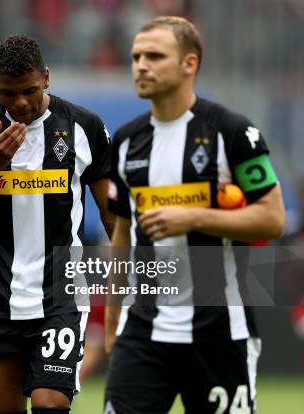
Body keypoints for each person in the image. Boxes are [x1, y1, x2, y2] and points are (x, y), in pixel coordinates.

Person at [104, 16, 285, 413]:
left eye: (154, 56)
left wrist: (194, 218)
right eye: (136, 56)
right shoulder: (125, 141)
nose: (141, 66)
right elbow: (122, 237)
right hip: (144, 330)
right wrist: (112, 323)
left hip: (221, 332)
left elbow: (273, 219)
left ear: (190, 63)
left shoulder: (233, 133)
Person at [0, 34, 114, 414]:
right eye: (8, 93)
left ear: (47, 78)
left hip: (61, 297)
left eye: (29, 90)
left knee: (51, 404)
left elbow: (114, 215)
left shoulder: (84, 127)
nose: (19, 103)